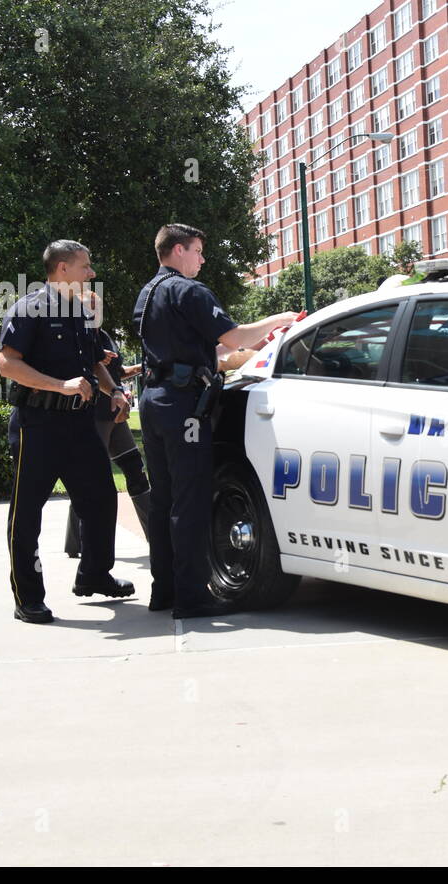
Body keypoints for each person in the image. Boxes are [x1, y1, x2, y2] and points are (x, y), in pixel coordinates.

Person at [134, 223, 296, 619]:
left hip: (155, 400)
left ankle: (166, 590)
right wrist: (280, 319)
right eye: (197, 250)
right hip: (184, 405)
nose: (202, 259)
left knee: (164, 499)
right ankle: (192, 597)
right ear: (176, 250)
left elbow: (215, 347)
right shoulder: (188, 291)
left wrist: (248, 343)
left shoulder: (149, 292)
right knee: (189, 501)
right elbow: (235, 337)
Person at [0, 240, 135, 624]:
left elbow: (93, 360)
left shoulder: (80, 311)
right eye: (85, 267)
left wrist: (115, 390)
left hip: (78, 424)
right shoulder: (28, 308)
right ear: (61, 268)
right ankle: (28, 597)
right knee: (26, 514)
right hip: (36, 426)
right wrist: (61, 386)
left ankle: (94, 574)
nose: (91, 273)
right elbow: (7, 364)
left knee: (102, 499)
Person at [64, 327, 152, 557]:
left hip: (116, 415)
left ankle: (158, 538)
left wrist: (140, 369)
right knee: (88, 479)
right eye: (89, 306)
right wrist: (92, 357)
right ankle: (77, 544)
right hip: (93, 416)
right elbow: (72, 369)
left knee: (135, 471)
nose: (94, 311)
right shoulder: (76, 336)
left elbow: (115, 372)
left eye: (97, 306)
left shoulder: (104, 337)